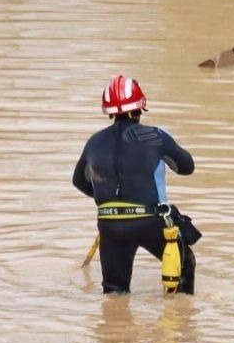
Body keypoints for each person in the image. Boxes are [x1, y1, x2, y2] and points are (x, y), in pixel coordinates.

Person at [72, 76, 195, 294]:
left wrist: (110, 200)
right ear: (141, 106)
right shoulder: (156, 136)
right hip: (150, 221)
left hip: (109, 224)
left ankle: (115, 315)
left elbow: (79, 181)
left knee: (114, 293)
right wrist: (166, 143)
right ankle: (180, 312)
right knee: (185, 262)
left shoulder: (94, 142)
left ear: (109, 111)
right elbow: (186, 167)